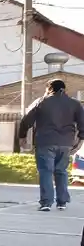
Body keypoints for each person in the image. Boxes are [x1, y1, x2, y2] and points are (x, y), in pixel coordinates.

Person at [18, 77, 84, 211]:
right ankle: (62, 202)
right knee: (61, 171)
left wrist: (22, 136)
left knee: (46, 171)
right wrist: (80, 140)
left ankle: (46, 203)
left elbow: (26, 120)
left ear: (49, 89)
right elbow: (82, 123)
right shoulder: (75, 104)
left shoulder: (41, 101)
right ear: (64, 89)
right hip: (66, 143)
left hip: (45, 141)